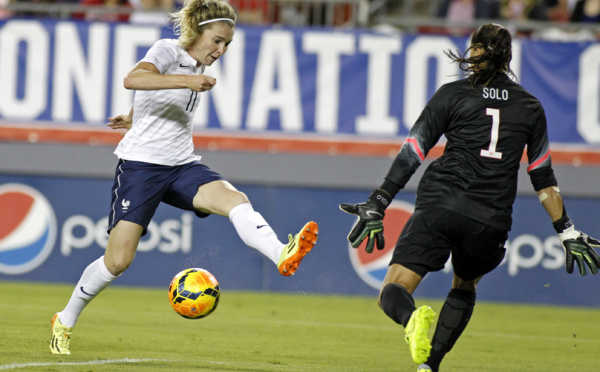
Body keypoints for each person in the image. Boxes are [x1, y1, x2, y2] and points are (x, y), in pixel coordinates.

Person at [49, 0, 318, 356]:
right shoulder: (168, 51)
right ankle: (64, 321)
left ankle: (281, 254)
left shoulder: (196, 67)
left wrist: (135, 116)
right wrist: (187, 80)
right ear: (198, 32)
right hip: (141, 168)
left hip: (180, 166)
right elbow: (134, 78)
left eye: (227, 45)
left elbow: (155, 97)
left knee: (236, 200)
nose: (221, 50)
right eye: (217, 41)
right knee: (117, 261)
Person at [340, 23, 600, 372]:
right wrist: (566, 230)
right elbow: (543, 180)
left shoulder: (452, 94)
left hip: (440, 204)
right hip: (489, 219)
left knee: (395, 286)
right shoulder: (531, 107)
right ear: (508, 57)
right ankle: (429, 366)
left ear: (475, 51)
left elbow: (413, 151)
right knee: (464, 286)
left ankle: (411, 319)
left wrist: (380, 200)